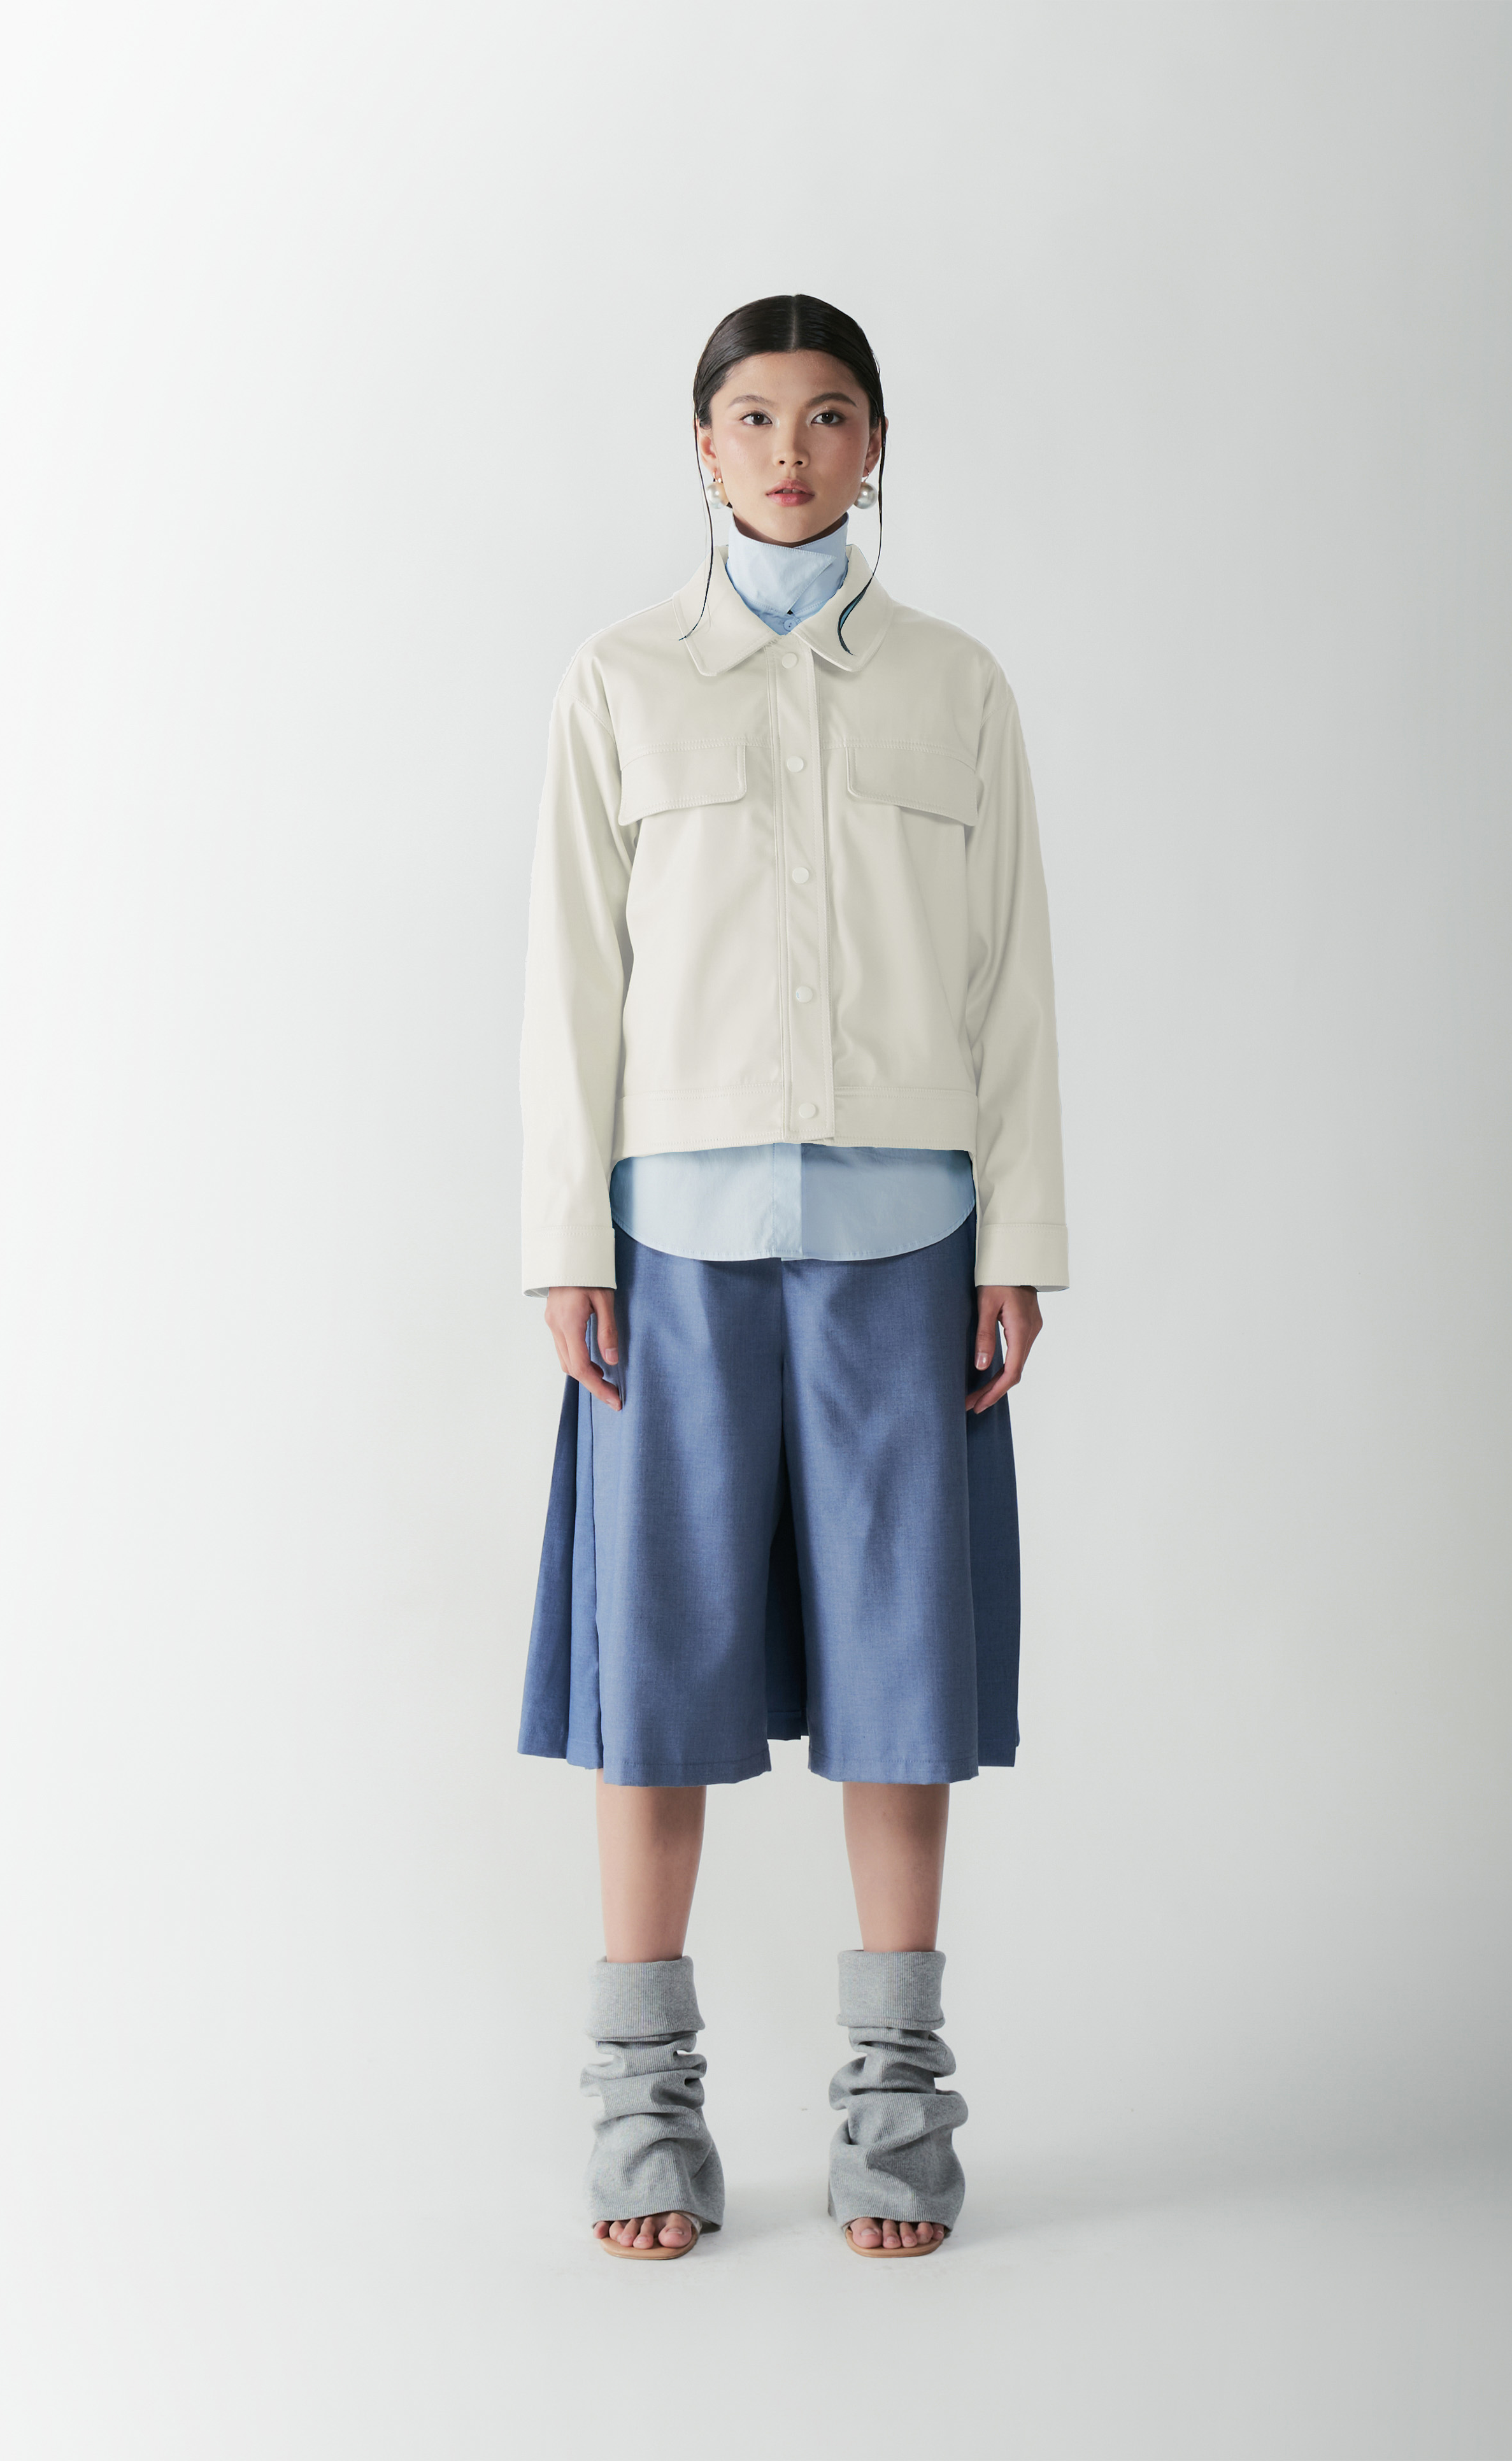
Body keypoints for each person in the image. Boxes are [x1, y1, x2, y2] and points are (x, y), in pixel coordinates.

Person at [517, 294, 1067, 2260]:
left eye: (830, 416)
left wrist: (1022, 1241)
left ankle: (896, 2119)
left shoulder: (954, 687)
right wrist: (563, 1242)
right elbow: (571, 983)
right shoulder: (622, 683)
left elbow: (1011, 979)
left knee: (903, 1675)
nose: (789, 450)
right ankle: (644, 2116)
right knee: (655, 1674)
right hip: (668, 1250)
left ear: (876, 444)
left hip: (907, 1244)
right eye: (752, 417)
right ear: (703, 446)